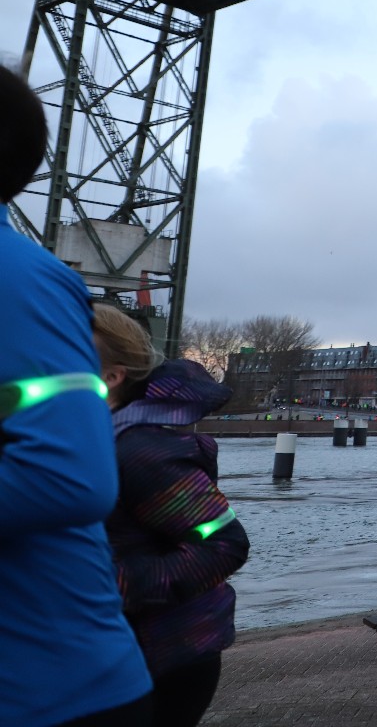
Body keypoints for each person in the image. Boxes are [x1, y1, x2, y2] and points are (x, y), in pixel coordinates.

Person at [0, 66, 154, 727]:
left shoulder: (149, 451)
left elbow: (216, 534)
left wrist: (145, 585)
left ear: (111, 375)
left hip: (52, 691)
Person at [92, 304, 251, 727]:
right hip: (125, 652)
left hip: (167, 658)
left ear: (112, 377)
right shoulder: (94, 439)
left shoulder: (138, 451)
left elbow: (224, 543)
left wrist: (110, 585)